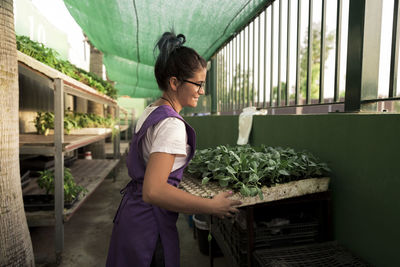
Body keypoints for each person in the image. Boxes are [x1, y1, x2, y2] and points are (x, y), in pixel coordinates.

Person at [106, 32, 241, 267]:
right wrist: (211, 206)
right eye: (197, 84)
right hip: (149, 227)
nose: (201, 91)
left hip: (133, 217)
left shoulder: (152, 111)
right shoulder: (172, 125)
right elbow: (154, 191)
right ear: (174, 82)